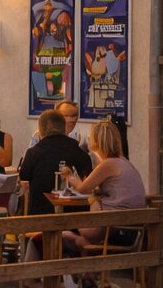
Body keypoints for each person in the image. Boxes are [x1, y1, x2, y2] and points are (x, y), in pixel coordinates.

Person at [57, 118, 146, 252]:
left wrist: (68, 175)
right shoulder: (123, 161)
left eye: (91, 136)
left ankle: (71, 243)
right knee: (78, 234)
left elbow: (83, 188)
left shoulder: (108, 164)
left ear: (97, 141)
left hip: (117, 226)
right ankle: (77, 246)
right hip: (133, 227)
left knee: (74, 222)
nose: (88, 138)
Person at [18, 108, 92, 217]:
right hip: (76, 216)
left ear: (40, 131)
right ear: (64, 128)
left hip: (41, 216)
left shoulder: (33, 153)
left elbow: (24, 176)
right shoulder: (81, 153)